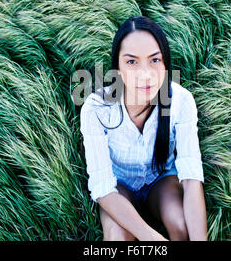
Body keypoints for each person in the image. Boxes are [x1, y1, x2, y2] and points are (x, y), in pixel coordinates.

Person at [79, 16, 207, 241]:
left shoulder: (181, 101)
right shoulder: (97, 108)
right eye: (131, 62)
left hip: (161, 180)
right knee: (118, 237)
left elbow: (192, 177)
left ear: (165, 62)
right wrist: (153, 239)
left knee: (182, 225)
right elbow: (102, 188)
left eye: (154, 60)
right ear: (117, 67)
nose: (145, 74)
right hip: (119, 187)